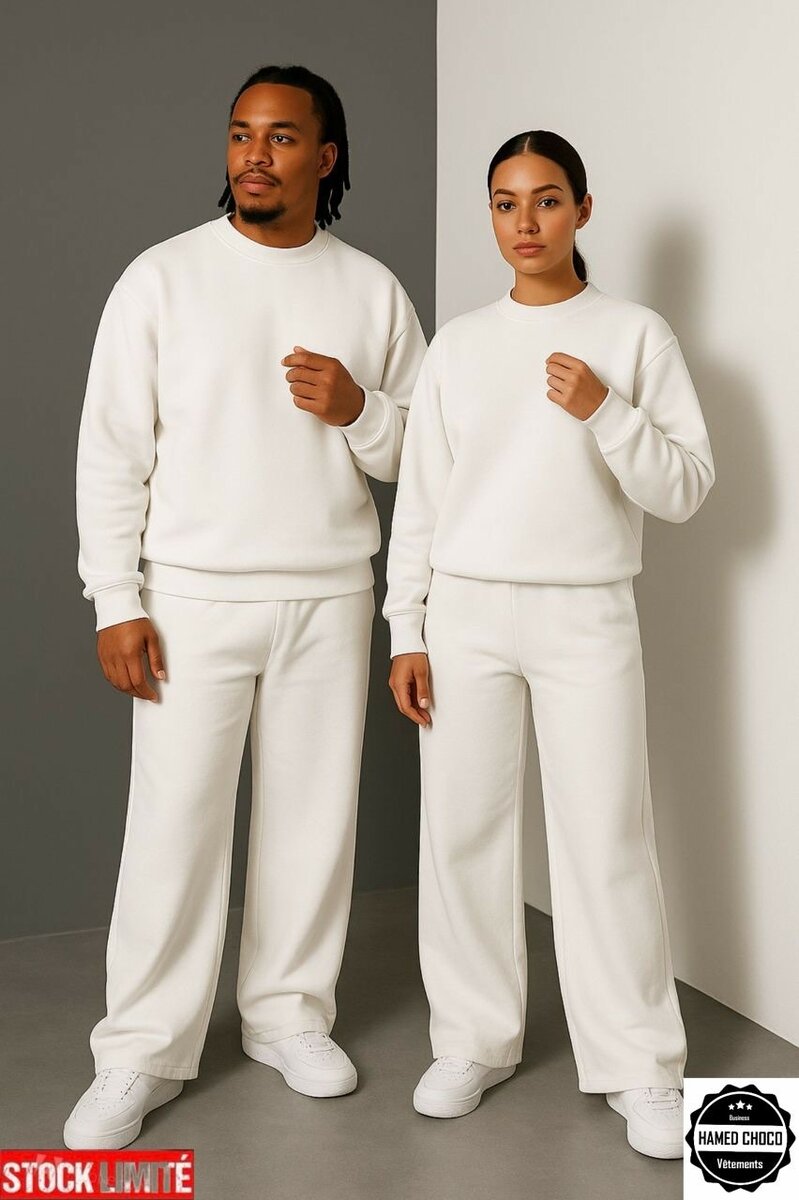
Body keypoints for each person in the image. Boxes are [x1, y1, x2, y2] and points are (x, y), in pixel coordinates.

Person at [65, 64, 427, 1150]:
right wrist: (114, 598)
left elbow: (424, 454)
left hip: (328, 592)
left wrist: (359, 409)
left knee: (313, 823)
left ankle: (287, 1017)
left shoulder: (371, 290)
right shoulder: (162, 278)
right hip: (189, 598)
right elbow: (110, 451)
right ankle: (140, 1050)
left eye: (279, 137)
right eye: (240, 134)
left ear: (326, 156)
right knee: (173, 828)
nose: (253, 156)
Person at [383, 129, 715, 1159]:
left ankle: (640, 1067)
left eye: (545, 200)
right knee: (463, 833)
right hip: (467, 614)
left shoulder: (634, 334)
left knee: (606, 836)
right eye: (504, 202)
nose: (524, 222)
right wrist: (406, 629)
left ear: (581, 209)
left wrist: (605, 411)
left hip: (586, 613)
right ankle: (471, 1040)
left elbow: (686, 488)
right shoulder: (458, 345)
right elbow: (422, 500)